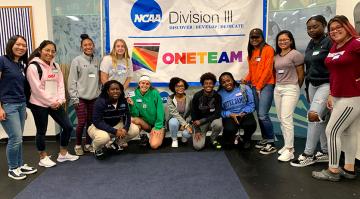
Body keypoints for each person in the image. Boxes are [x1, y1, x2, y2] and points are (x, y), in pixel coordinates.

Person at [312, 15, 360, 181]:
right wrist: (332, 93)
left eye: (339, 27)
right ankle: (349, 168)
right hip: (339, 95)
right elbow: (334, 73)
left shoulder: (356, 43)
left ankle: (333, 170)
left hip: (352, 96)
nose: (335, 31)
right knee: (350, 132)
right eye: (331, 29)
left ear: (347, 27)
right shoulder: (335, 46)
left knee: (331, 131)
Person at [27, 40, 79, 168]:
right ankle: (42, 157)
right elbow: (36, 89)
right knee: (41, 130)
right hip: (39, 104)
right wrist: (51, 102)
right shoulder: (33, 67)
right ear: (40, 51)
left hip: (56, 103)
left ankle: (63, 153)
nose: (50, 53)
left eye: (53, 51)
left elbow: (60, 84)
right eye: (47, 50)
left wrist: (60, 100)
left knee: (67, 127)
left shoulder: (55, 66)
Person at [291, 15, 331, 167]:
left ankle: (308, 154)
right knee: (320, 119)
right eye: (309, 28)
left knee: (313, 116)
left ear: (324, 25)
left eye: (315, 26)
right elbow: (308, 68)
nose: (312, 30)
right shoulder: (311, 43)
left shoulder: (329, 41)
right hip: (312, 85)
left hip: (326, 84)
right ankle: (326, 152)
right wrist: (307, 89)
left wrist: (333, 90)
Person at [0, 35, 37, 180]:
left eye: (24, 45)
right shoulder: (2, 60)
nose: (21, 47)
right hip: (8, 105)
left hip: (21, 104)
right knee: (15, 138)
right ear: (11, 45)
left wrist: (25, 107)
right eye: (18, 44)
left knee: (19, 138)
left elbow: (21, 87)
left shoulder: (21, 64)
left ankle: (20, 165)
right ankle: (12, 168)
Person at [244, 28, 277, 154]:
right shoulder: (252, 51)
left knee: (263, 114)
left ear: (262, 37)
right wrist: (246, 80)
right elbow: (252, 72)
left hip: (266, 85)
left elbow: (268, 70)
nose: (254, 39)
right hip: (254, 86)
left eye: (257, 37)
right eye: (252, 37)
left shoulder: (268, 49)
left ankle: (271, 142)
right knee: (259, 115)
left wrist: (259, 86)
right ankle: (265, 138)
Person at [273, 30, 305, 161]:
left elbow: (301, 73)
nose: (283, 42)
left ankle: (290, 150)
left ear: (291, 41)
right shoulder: (277, 56)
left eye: (285, 40)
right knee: (281, 118)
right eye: (280, 40)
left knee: (286, 118)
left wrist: (295, 86)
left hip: (290, 88)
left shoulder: (295, 54)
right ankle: (286, 146)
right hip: (278, 88)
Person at [88, 80, 140, 158]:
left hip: (116, 125)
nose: (115, 91)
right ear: (108, 91)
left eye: (117, 89)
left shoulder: (123, 100)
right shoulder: (100, 102)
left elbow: (127, 116)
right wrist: (115, 131)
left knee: (135, 130)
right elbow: (97, 122)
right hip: (98, 128)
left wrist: (125, 129)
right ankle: (96, 148)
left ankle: (116, 144)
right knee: (103, 138)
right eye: (112, 89)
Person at [68, 34, 100, 156]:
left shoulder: (97, 60)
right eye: (85, 45)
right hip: (80, 98)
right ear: (81, 47)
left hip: (94, 98)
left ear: (93, 46)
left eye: (90, 44)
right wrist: (74, 98)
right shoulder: (76, 61)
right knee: (81, 122)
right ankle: (77, 145)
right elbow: (72, 81)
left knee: (90, 122)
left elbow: (99, 80)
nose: (88, 47)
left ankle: (87, 144)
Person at [218, 72, 257, 149]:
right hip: (230, 116)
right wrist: (230, 114)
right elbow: (219, 111)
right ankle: (228, 139)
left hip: (244, 113)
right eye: (223, 82)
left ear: (233, 80)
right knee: (229, 130)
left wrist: (244, 112)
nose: (227, 83)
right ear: (221, 84)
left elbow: (251, 104)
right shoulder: (219, 94)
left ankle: (246, 139)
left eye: (228, 80)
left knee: (251, 124)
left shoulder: (244, 88)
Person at [127, 75, 165, 149]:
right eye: (143, 83)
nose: (144, 85)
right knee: (132, 119)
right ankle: (141, 134)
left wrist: (157, 127)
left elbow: (160, 111)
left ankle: (149, 135)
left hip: (156, 124)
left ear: (150, 85)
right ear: (139, 84)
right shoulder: (133, 94)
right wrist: (132, 105)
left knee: (154, 145)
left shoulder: (154, 93)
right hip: (145, 124)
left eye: (147, 84)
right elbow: (135, 114)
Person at [191, 72, 222, 150]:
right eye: (206, 83)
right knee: (198, 147)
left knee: (218, 123)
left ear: (214, 84)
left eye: (210, 83)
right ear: (202, 85)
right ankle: (200, 135)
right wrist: (197, 129)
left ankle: (213, 139)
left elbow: (217, 114)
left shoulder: (217, 96)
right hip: (200, 124)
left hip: (211, 121)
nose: (208, 85)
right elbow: (193, 113)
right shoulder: (197, 95)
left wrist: (203, 120)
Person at [166, 77, 192, 148]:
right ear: (173, 87)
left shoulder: (189, 98)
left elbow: (190, 114)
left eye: (182, 86)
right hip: (175, 119)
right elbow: (175, 114)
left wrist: (186, 123)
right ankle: (174, 139)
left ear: (185, 87)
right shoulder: (170, 99)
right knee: (173, 122)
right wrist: (185, 125)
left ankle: (184, 137)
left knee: (187, 133)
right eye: (177, 86)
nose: (180, 88)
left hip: (186, 121)